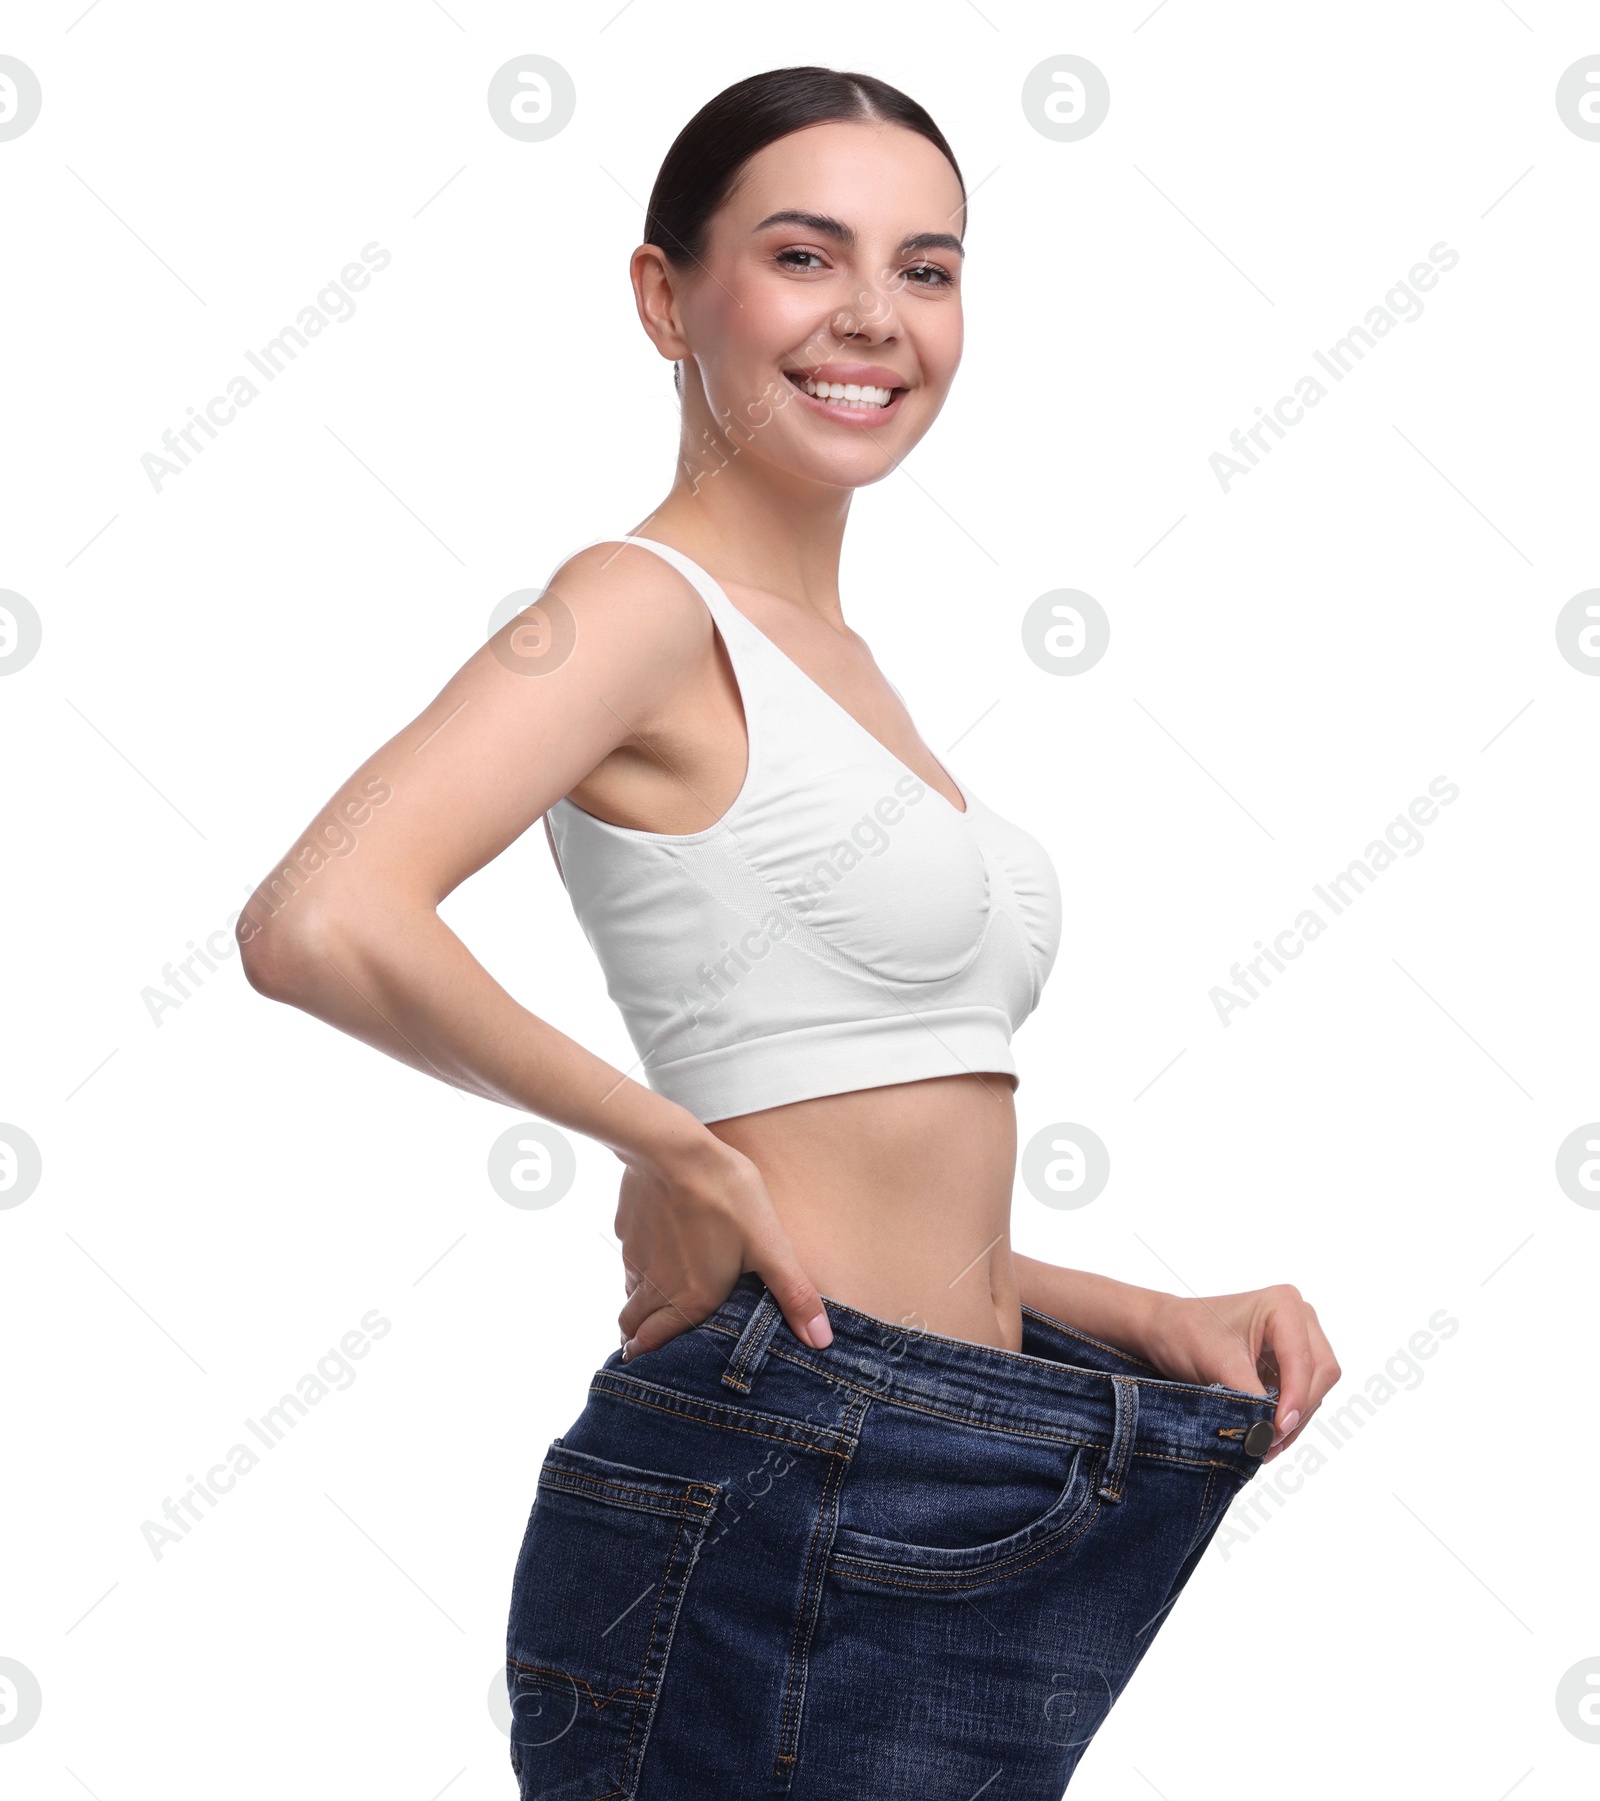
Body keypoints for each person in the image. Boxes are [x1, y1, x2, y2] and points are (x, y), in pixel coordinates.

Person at [239, 64, 1340, 1800]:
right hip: (791, 1479)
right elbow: (315, 913)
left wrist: (1139, 1308)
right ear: (667, 297)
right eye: (808, 257)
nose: (876, 319)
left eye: (928, 267)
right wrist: (665, 1141)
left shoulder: (852, 670)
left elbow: (842, 1182)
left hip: (952, 1452)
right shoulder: (634, 609)